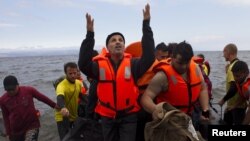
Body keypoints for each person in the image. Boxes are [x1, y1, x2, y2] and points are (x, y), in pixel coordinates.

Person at [78, 3, 155, 141]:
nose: (117, 42)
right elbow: (83, 64)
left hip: (129, 116)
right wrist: (89, 36)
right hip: (107, 117)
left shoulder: (133, 64)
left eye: (121, 40)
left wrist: (146, 26)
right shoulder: (98, 66)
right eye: (113, 40)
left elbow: (149, 57)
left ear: (124, 47)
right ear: (107, 47)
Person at [140, 41, 210, 121]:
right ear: (172, 57)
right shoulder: (162, 76)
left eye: (187, 63)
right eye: (180, 63)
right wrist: (157, 111)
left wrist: (205, 109)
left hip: (192, 115)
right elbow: (145, 98)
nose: (184, 67)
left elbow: (203, 88)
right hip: (170, 120)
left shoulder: (196, 68)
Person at [0, 75, 58, 141]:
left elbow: (42, 98)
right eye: (8, 90)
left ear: (17, 85)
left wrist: (54, 105)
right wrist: (8, 133)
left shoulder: (28, 90)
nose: (11, 92)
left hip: (32, 126)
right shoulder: (3, 100)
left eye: (13, 89)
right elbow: (6, 118)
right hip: (16, 131)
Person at [218, 43, 247, 125]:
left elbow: (234, 87)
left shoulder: (232, 67)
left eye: (224, 52)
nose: (223, 55)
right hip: (234, 105)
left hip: (238, 107)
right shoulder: (235, 65)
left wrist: (223, 100)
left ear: (228, 52)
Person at [55, 62, 83, 141]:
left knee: (76, 137)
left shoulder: (79, 83)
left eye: (74, 73)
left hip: (74, 116)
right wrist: (63, 108)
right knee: (65, 138)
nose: (73, 75)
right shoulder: (61, 85)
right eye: (70, 73)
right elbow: (60, 97)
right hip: (62, 116)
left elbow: (83, 96)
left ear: (77, 71)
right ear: (65, 73)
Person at [231, 60, 250, 124]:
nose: (235, 78)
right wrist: (234, 106)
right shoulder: (241, 82)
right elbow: (243, 96)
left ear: (246, 73)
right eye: (234, 76)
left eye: (237, 76)